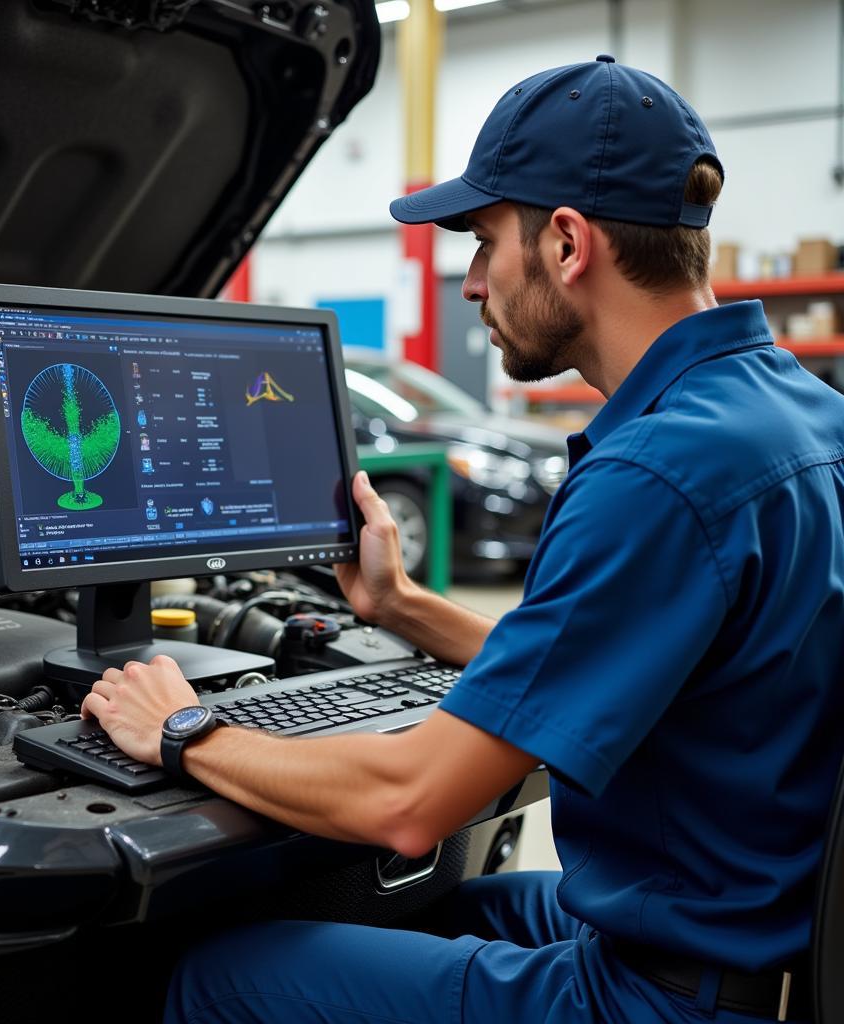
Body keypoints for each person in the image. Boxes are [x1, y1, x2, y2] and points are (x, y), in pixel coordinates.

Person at [82, 57, 843, 1022]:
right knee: (453, 909)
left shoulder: (654, 477)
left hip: (672, 998)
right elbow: (592, 668)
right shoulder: (797, 417)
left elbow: (410, 803)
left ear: (567, 242)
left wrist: (182, 730)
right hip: (768, 943)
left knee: (213, 975)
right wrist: (402, 608)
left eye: (484, 242)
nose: (474, 282)